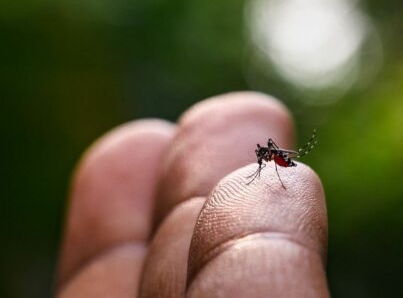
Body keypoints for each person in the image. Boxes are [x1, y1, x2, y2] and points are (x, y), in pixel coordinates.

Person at [55, 92, 329, 297]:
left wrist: (275, 164)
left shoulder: (270, 158)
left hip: (281, 167)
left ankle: (295, 156)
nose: (261, 156)